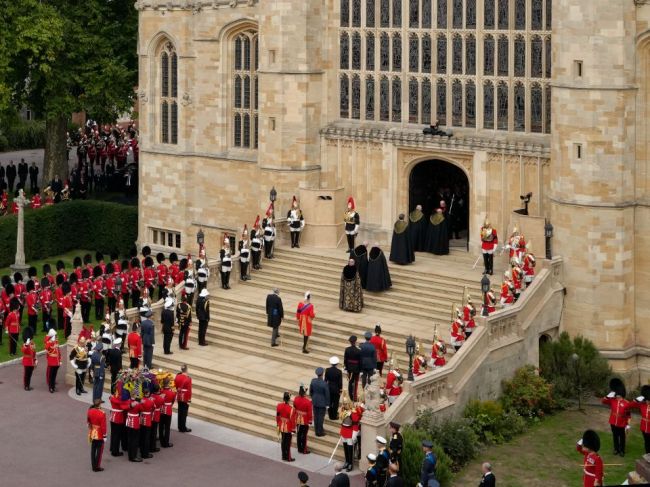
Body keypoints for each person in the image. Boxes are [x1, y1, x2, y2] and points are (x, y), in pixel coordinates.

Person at [602, 378, 630, 456]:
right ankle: (616, 449)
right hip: (613, 421)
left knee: (622, 437)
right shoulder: (612, 400)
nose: (616, 395)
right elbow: (603, 401)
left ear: (620, 393)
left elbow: (628, 415)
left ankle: (622, 450)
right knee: (615, 436)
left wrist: (627, 424)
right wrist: (608, 396)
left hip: (622, 423)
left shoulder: (626, 403)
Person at [87, 398, 107, 472]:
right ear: (100, 404)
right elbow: (103, 426)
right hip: (99, 433)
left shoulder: (90, 411)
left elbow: (88, 421)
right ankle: (97, 466)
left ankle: (93, 465)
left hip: (92, 432)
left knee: (93, 449)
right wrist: (104, 435)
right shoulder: (102, 413)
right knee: (99, 451)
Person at [628, 385, 650, 453]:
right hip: (644, 427)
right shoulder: (642, 404)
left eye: (648, 400)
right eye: (646, 400)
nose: (647, 402)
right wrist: (636, 400)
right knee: (646, 442)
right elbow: (629, 405)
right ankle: (647, 455)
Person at [109, 388, 130, 457]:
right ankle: (115, 451)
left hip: (113, 416)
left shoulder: (112, 398)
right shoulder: (119, 400)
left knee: (113, 433)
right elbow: (124, 406)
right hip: (118, 418)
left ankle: (112, 448)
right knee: (117, 435)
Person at [309, 367, 330, 437]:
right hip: (322, 402)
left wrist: (313, 397)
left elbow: (311, 391)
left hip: (315, 401)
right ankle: (319, 432)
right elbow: (327, 395)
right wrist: (327, 404)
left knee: (315, 416)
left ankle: (316, 430)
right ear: (322, 374)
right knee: (320, 417)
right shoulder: (324, 384)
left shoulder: (313, 381)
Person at [293, 385, 313, 454]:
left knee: (299, 434)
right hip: (305, 420)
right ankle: (304, 449)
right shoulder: (308, 402)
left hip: (298, 418)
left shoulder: (296, 398)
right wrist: (310, 421)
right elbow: (309, 412)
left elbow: (294, 407)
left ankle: (299, 448)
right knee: (304, 435)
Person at [276, 391, 296, 462]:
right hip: (288, 427)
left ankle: (283, 455)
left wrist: (278, 424)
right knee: (288, 443)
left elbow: (278, 416)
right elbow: (292, 421)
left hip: (281, 425)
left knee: (283, 441)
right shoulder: (291, 409)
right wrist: (293, 430)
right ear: (289, 399)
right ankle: (288, 457)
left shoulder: (279, 405)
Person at [175, 364, 193, 433]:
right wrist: (189, 399)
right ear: (186, 370)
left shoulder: (177, 376)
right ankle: (183, 427)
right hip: (185, 397)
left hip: (179, 395)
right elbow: (189, 390)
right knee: (184, 413)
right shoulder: (188, 378)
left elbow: (176, 386)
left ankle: (180, 426)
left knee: (180, 411)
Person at [160, 376, 176, 448]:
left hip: (161, 410)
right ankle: (166, 443)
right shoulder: (172, 393)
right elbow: (172, 401)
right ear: (169, 383)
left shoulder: (161, 391)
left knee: (161, 426)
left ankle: (161, 441)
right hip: (168, 410)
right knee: (167, 427)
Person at [139, 385, 155, 459]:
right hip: (148, 419)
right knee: (146, 438)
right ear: (148, 393)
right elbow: (153, 408)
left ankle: (142, 451)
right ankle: (145, 454)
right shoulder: (150, 401)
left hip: (142, 419)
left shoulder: (141, 400)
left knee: (142, 436)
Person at [344, 335, 361, 401]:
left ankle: (350, 396)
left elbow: (345, 360)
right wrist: (360, 369)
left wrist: (347, 368)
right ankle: (354, 397)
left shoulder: (347, 349)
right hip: (356, 369)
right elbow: (360, 361)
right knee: (356, 382)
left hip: (349, 369)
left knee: (350, 382)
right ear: (355, 342)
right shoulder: (358, 351)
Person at [326, 356, 343, 420]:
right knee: (336, 403)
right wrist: (340, 390)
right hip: (336, 389)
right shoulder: (339, 371)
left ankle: (330, 415)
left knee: (329, 402)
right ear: (337, 363)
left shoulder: (327, 370)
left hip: (329, 388)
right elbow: (340, 382)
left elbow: (325, 380)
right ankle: (334, 415)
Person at [45, 328, 61, 393]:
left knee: (54, 375)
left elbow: (58, 351)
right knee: (51, 375)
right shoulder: (49, 342)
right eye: (55, 335)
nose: (56, 336)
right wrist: (51, 341)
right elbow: (47, 348)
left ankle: (53, 386)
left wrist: (60, 360)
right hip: (52, 361)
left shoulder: (56, 342)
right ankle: (50, 387)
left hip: (56, 361)